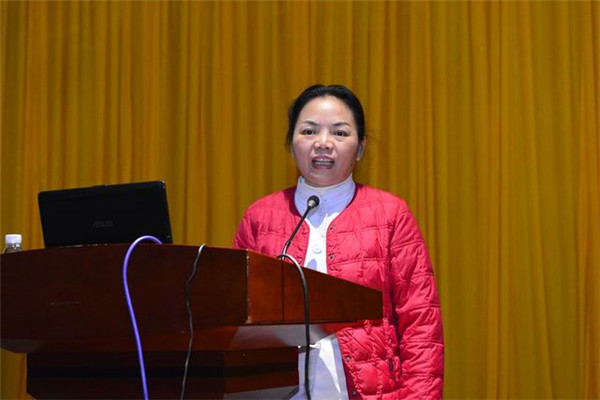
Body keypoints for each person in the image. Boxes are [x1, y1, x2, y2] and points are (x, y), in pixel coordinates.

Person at [234, 84, 443, 399]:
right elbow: (236, 323)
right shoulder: (259, 217)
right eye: (309, 131)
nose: (323, 143)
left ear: (360, 149)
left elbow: (421, 324)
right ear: (291, 144)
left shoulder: (391, 214)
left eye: (340, 133)